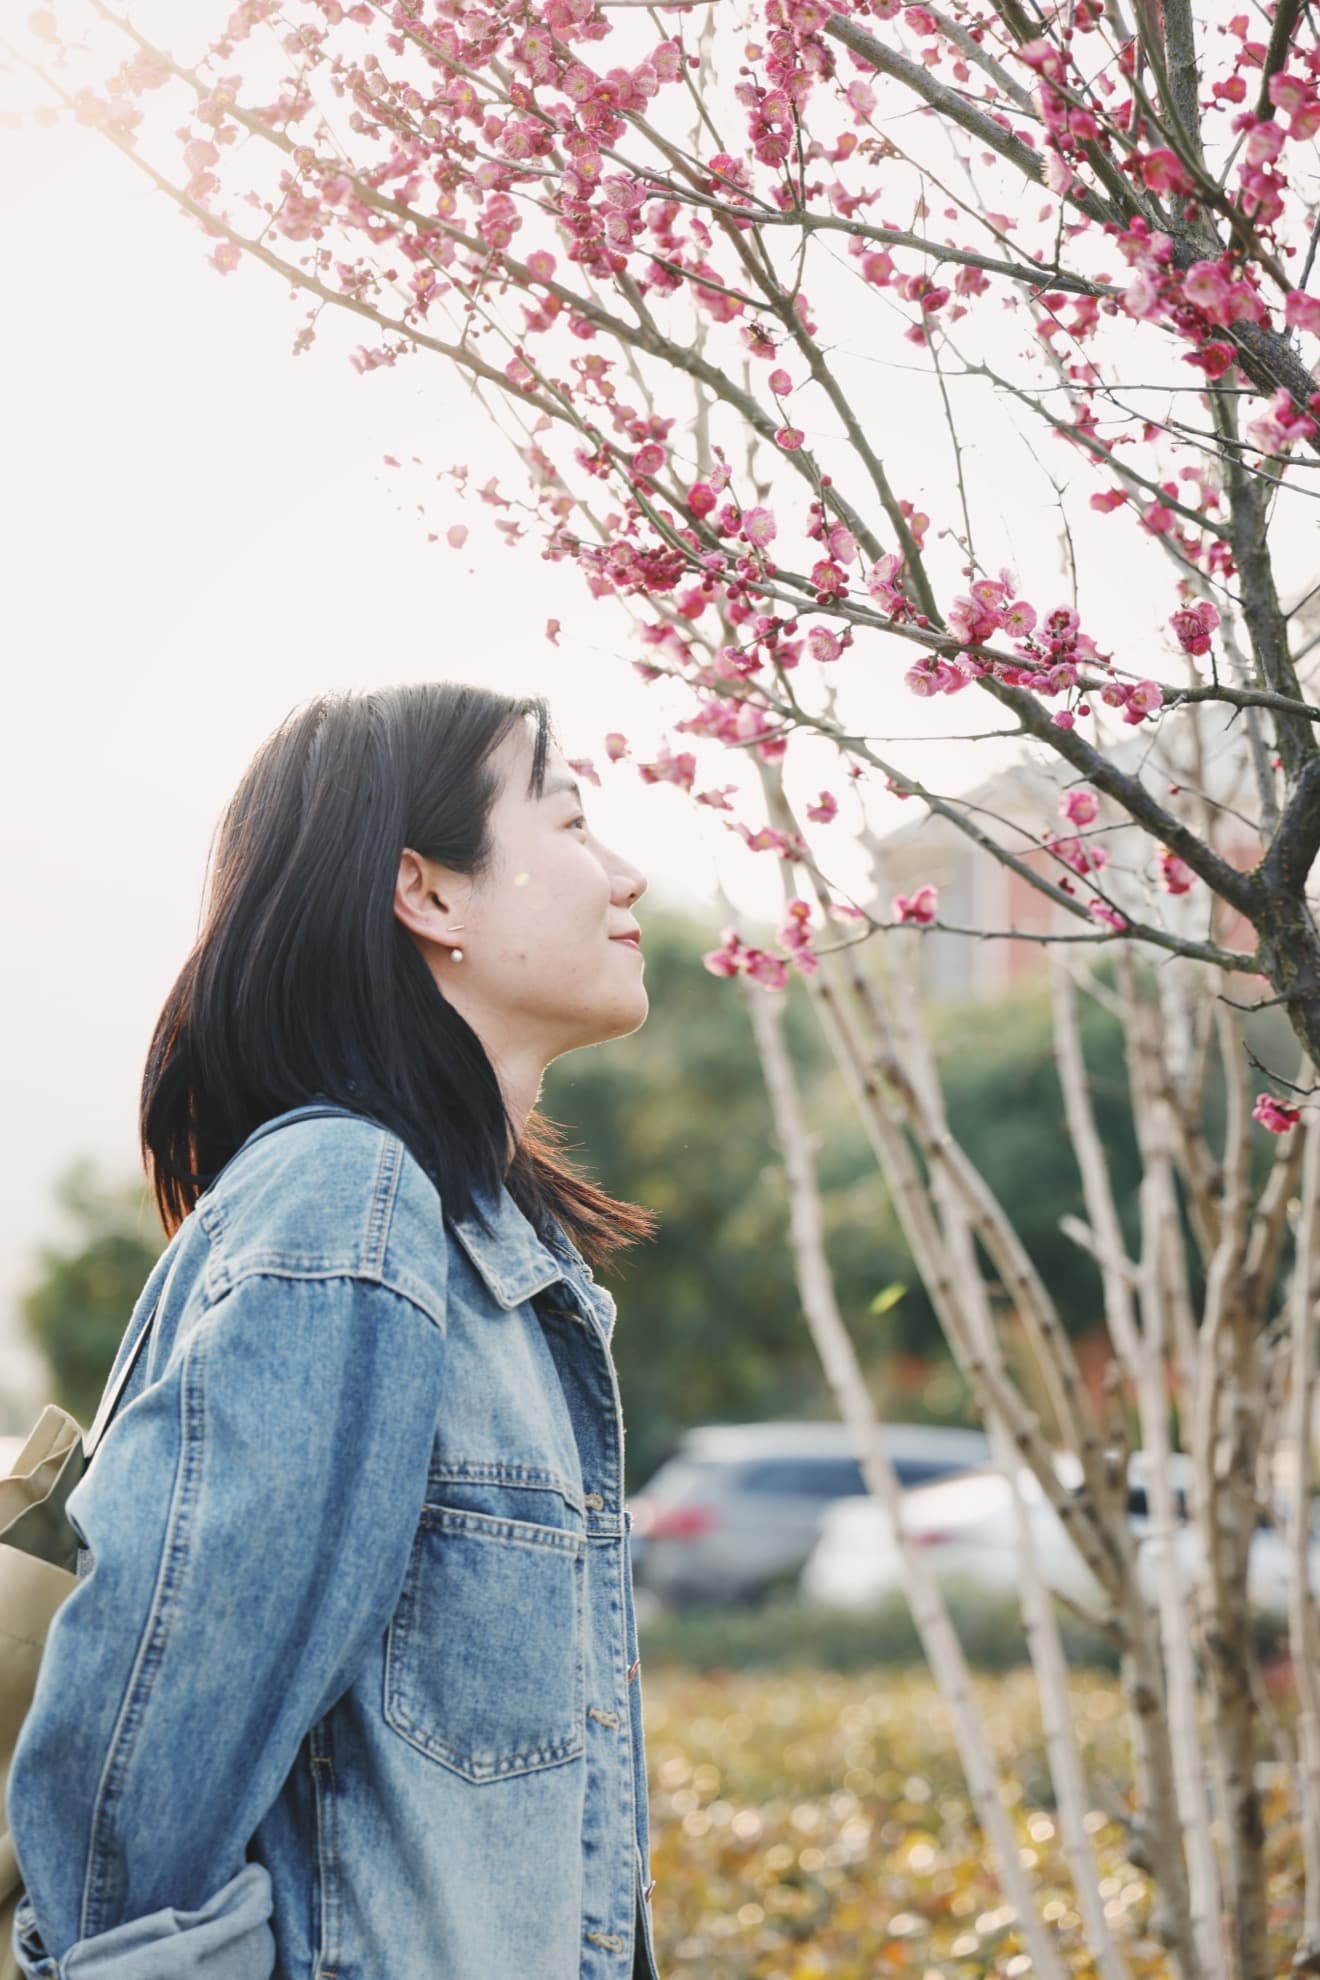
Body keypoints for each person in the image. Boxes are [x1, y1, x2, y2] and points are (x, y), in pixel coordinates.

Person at [7, 682, 659, 1980]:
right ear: (427, 893)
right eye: (574, 821)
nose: (624, 872)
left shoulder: (489, 1258)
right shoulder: (345, 1206)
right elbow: (141, 1754)